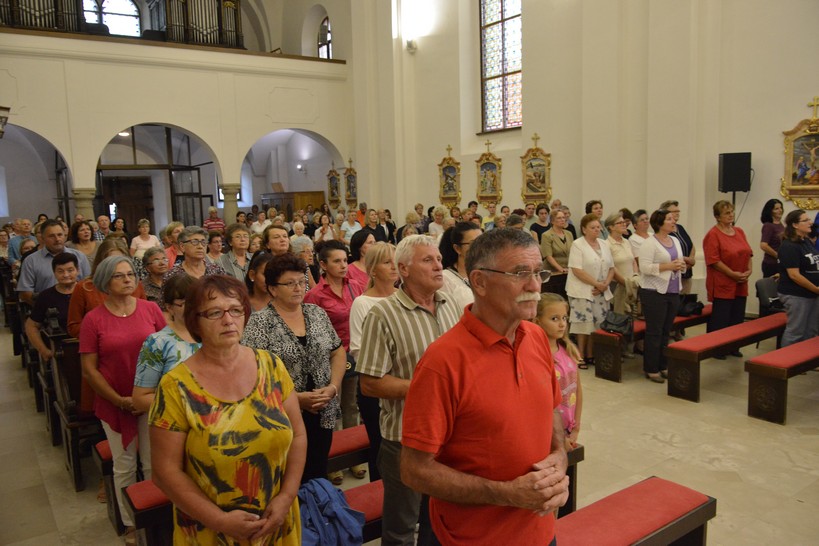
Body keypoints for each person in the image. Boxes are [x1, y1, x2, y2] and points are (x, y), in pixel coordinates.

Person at [400, 228, 567, 545]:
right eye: (520, 274)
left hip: (539, 533)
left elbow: (552, 408)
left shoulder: (535, 337)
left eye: (538, 273)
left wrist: (559, 454)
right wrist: (506, 493)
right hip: (471, 537)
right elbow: (414, 470)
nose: (535, 286)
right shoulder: (443, 362)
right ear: (479, 281)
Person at [150, 275, 305, 545]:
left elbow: (299, 436)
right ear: (195, 321)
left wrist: (286, 496)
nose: (228, 320)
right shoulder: (175, 387)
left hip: (276, 520)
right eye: (214, 313)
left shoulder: (271, 366)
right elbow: (165, 472)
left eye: (235, 310)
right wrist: (219, 521)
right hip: (209, 528)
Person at [357, 235, 461, 546]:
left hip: (450, 434)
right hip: (406, 438)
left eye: (438, 259)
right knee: (401, 529)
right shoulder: (383, 314)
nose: (438, 266)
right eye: (428, 260)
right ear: (403, 269)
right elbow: (370, 383)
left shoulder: (450, 305)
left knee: (438, 521)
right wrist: (427, 387)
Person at [79, 256, 166, 544]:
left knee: (153, 461)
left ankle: (153, 516)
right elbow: (90, 370)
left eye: (130, 274)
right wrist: (119, 400)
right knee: (125, 463)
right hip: (114, 400)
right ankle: (131, 522)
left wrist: (151, 395)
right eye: (119, 276)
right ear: (105, 281)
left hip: (151, 398)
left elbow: (168, 350)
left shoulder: (150, 309)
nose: (128, 279)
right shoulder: (93, 319)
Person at [241, 253, 344, 484]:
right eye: (290, 283)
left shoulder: (316, 313)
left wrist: (333, 387)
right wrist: (294, 399)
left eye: (301, 282)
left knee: (317, 474)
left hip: (322, 411)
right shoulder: (259, 323)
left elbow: (337, 351)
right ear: (272, 289)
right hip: (281, 417)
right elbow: (251, 376)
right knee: (289, 480)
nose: (298, 288)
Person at [304, 240, 367, 484]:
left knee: (352, 405)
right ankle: (333, 460)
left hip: (355, 354)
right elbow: (311, 331)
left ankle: (355, 457)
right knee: (333, 408)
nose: (343, 265)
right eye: (337, 261)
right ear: (323, 265)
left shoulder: (356, 287)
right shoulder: (315, 295)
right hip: (329, 358)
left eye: (345, 260)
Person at [348, 242, 398, 482]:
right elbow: (358, 349)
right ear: (373, 270)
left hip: (402, 381)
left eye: (396, 261)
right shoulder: (363, 303)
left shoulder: (404, 297)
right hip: (376, 382)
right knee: (381, 447)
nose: (394, 266)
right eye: (387, 262)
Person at [132, 274, 200, 413]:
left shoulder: (212, 335)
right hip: (176, 418)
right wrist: (186, 404)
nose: (192, 307)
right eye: (183, 303)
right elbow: (140, 398)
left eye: (196, 300)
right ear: (169, 307)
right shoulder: (157, 343)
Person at [638, 209, 685, 382]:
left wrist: (681, 266)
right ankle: (651, 368)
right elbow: (644, 268)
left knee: (667, 331)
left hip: (673, 290)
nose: (673, 221)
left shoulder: (675, 240)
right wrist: (668, 266)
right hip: (654, 292)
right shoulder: (649, 243)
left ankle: (663, 365)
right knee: (655, 331)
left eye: (673, 219)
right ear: (659, 223)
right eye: (669, 219)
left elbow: (679, 261)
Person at [533, 293, 583, 452]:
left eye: (564, 318)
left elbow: (577, 390)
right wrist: (557, 437)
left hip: (569, 428)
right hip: (548, 433)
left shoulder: (569, 350)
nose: (562, 324)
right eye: (554, 319)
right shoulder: (537, 356)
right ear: (537, 321)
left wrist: (576, 426)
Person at [565, 213, 615, 368]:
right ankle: (580, 356)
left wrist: (605, 284)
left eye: (598, 227)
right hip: (582, 290)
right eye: (593, 227)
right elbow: (577, 270)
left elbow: (612, 267)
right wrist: (596, 284)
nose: (597, 230)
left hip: (601, 291)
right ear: (584, 229)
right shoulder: (578, 244)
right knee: (584, 324)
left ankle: (591, 354)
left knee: (597, 324)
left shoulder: (604, 244)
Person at [703, 200, 753, 346]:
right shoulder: (713, 234)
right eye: (727, 213)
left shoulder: (739, 231)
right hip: (723, 282)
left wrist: (749, 270)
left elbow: (748, 253)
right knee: (721, 317)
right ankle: (717, 347)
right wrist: (732, 274)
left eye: (732, 212)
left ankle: (734, 346)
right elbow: (713, 260)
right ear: (717, 217)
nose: (731, 215)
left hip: (741, 281)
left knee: (737, 315)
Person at [16, 219, 91, 305]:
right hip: (45, 308)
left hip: (78, 306)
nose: (57, 239)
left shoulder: (80, 257)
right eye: (51, 236)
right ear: (43, 238)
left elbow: (88, 285)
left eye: (60, 235)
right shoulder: (31, 261)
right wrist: (42, 308)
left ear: (65, 236)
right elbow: (26, 292)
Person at [24, 252, 79, 362]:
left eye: (70, 270)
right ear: (54, 273)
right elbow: (31, 326)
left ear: (77, 270)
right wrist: (44, 351)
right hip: (62, 350)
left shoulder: (87, 291)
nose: (66, 275)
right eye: (60, 271)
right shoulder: (46, 296)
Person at [776, 209, 819, 346]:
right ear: (795, 225)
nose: (810, 222)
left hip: (812, 294)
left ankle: (806, 357)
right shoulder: (789, 246)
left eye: (809, 219)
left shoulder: (806, 241)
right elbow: (794, 275)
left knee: (811, 330)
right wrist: (815, 289)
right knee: (796, 331)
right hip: (796, 294)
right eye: (805, 220)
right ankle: (787, 359)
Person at [162, 226, 226, 301]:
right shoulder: (172, 275)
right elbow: (164, 304)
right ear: (182, 246)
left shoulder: (217, 271)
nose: (200, 246)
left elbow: (226, 297)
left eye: (203, 242)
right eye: (195, 242)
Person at [439, 222, 482, 316]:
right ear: (457, 248)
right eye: (473, 244)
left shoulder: (489, 273)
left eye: (483, 242)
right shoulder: (445, 279)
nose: (480, 248)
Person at [604, 213, 638, 315]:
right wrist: (626, 283)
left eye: (624, 222)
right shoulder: (606, 244)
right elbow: (611, 267)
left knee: (633, 317)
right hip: (617, 285)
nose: (624, 224)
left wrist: (635, 276)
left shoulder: (626, 241)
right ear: (611, 227)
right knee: (619, 317)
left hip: (632, 284)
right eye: (620, 223)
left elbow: (633, 261)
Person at [661, 200, 697, 296]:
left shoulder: (680, 227)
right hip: (674, 274)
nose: (677, 213)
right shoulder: (664, 231)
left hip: (687, 274)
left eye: (678, 211)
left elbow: (691, 245)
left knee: (686, 301)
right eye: (674, 211)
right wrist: (687, 260)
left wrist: (691, 259)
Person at [540, 208, 574, 298]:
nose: (562, 220)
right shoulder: (546, 235)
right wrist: (561, 269)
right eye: (559, 218)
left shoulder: (569, 234)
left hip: (568, 272)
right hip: (553, 273)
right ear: (552, 221)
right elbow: (548, 256)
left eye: (563, 217)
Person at [759, 198, 785, 278]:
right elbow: (763, 245)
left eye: (780, 208)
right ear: (770, 211)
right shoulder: (768, 226)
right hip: (771, 264)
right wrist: (777, 255)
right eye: (776, 209)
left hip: (780, 262)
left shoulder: (780, 224)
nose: (780, 210)